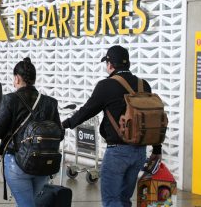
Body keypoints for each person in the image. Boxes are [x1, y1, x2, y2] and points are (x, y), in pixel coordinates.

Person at [61, 45, 162, 207]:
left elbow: (86, 111)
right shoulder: (144, 85)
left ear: (110, 64)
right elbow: (153, 119)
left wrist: (64, 125)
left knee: (111, 201)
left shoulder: (106, 85)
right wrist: (157, 149)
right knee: (124, 200)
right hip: (139, 153)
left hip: (117, 153)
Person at [0, 57, 62, 206]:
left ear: (17, 78)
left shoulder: (10, 100)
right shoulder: (50, 102)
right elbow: (60, 133)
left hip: (17, 162)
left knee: (26, 203)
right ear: (34, 79)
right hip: (44, 164)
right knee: (27, 202)